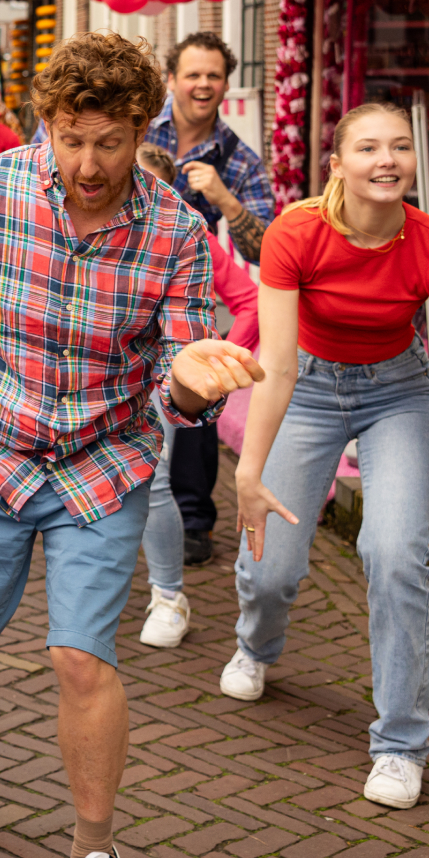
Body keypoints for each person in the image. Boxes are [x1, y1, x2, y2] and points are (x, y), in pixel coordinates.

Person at [0, 32, 260, 858]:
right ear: (45, 126)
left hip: (103, 459)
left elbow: (176, 368)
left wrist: (193, 378)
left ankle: (95, 854)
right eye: (71, 138)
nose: (88, 163)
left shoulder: (175, 228)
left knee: (80, 659)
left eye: (110, 141)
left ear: (142, 128)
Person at [228, 102, 429, 811]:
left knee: (395, 552)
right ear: (338, 162)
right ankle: (256, 645)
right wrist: (250, 473)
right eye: (369, 147)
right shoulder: (296, 232)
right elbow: (278, 367)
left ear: (414, 161)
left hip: (399, 393)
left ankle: (401, 743)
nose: (387, 160)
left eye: (400, 148)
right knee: (271, 566)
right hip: (311, 385)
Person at [146, 31, 281, 566]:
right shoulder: (138, 127)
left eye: (213, 76)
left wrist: (221, 195)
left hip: (189, 293)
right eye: (192, 74)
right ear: (172, 79)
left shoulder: (238, 158)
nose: (202, 84)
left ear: (226, 84)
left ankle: (194, 521)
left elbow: (270, 249)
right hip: (121, 285)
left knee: (198, 397)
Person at [133, 143, 260, 649]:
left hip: (162, 375)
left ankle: (168, 596)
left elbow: (250, 300)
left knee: (155, 478)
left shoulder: (190, 236)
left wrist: (220, 360)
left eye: (150, 184)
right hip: (94, 374)